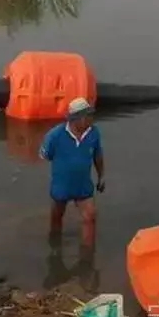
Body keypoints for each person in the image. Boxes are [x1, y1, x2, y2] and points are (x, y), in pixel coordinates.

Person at [39, 97, 105, 251]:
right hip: (61, 186)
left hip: (83, 185)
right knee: (56, 219)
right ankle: (55, 250)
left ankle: (87, 256)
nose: (91, 118)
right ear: (77, 119)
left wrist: (101, 176)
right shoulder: (55, 135)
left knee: (90, 217)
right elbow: (45, 155)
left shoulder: (93, 133)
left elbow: (98, 156)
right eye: (87, 115)